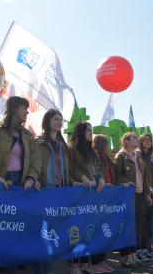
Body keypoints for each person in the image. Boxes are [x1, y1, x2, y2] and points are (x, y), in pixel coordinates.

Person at [0, 96, 41, 190]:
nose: (27, 112)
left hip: (20, 183)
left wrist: (31, 178)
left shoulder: (28, 136)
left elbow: (36, 161)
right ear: (15, 108)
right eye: (24, 108)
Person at [36, 109, 72, 273]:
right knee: (41, 232)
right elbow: (35, 164)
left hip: (61, 190)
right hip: (44, 190)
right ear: (48, 121)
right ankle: (40, 268)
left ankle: (50, 268)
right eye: (56, 119)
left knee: (54, 231)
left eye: (61, 120)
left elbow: (68, 169)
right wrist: (34, 178)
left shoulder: (63, 145)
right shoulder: (39, 142)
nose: (59, 122)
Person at [69, 122, 106, 274]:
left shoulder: (92, 152)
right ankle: (74, 265)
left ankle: (86, 263)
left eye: (91, 130)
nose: (91, 133)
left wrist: (102, 179)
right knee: (75, 230)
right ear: (80, 132)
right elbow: (71, 170)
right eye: (88, 130)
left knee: (88, 230)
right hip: (79, 194)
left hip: (92, 195)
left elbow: (98, 170)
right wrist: (83, 178)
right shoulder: (71, 150)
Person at [116, 132, 153, 268]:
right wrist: (124, 182)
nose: (137, 140)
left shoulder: (137, 156)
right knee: (128, 226)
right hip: (128, 196)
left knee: (138, 226)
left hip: (141, 195)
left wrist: (148, 194)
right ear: (126, 141)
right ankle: (125, 256)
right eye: (134, 138)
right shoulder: (121, 156)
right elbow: (116, 176)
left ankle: (133, 254)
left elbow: (144, 177)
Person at [91, 134, 116, 273]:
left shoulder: (108, 159)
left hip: (108, 196)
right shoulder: (96, 157)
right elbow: (97, 175)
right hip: (98, 196)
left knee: (106, 229)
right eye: (107, 143)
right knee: (97, 230)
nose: (109, 146)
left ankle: (102, 260)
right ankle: (95, 262)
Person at [137, 133, 153, 262]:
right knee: (141, 222)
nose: (148, 142)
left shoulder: (152, 157)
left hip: (152, 192)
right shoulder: (138, 155)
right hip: (143, 192)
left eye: (149, 140)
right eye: (145, 139)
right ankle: (139, 250)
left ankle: (146, 249)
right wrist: (149, 190)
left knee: (148, 222)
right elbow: (141, 176)